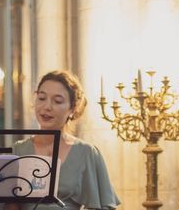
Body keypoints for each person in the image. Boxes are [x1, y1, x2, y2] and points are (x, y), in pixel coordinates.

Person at [10, 71, 120, 210]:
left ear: (72, 108)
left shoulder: (86, 153)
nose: (47, 107)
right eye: (42, 98)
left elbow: (104, 206)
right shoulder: (17, 151)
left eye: (57, 101)